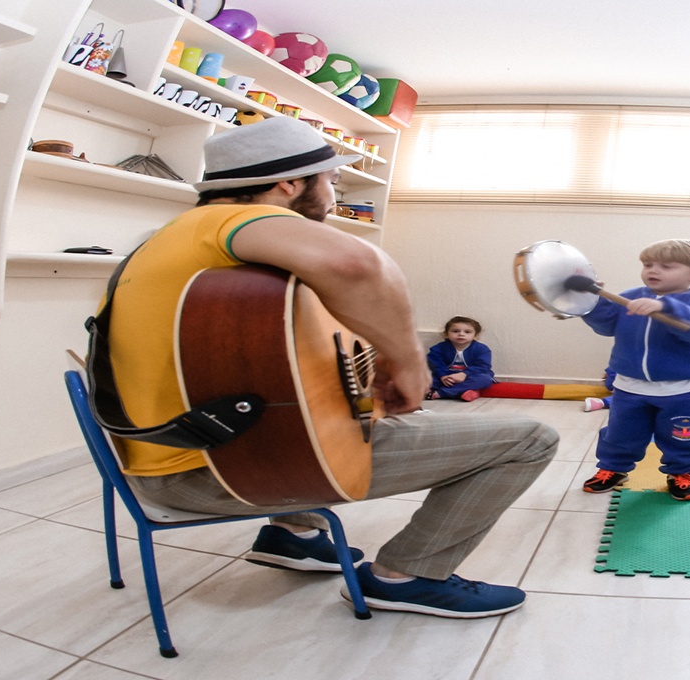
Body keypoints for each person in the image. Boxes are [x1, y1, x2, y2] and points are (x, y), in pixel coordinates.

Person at [99, 118, 558, 618]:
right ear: (288, 185)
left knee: (360, 416)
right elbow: (360, 266)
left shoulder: (170, 240)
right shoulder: (231, 224)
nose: (334, 191)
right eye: (329, 180)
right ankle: (407, 575)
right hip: (218, 474)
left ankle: (293, 533)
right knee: (532, 439)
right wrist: (405, 361)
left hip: (178, 458)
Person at [577, 239, 690, 501]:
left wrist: (666, 306)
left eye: (666, 266)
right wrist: (591, 303)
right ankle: (613, 468)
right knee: (621, 433)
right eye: (648, 264)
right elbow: (606, 325)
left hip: (687, 388)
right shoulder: (630, 296)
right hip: (631, 385)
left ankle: (681, 473)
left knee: (684, 435)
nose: (653, 270)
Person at [425, 316, 494, 401]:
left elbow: (483, 366)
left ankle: (441, 393)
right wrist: (443, 375)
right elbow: (434, 363)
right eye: (455, 331)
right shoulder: (438, 348)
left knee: (485, 379)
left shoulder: (482, 349)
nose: (461, 334)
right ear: (446, 334)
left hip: (470, 376)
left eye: (467, 332)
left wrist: (464, 374)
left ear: (475, 335)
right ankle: (463, 392)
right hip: (446, 377)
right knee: (424, 378)